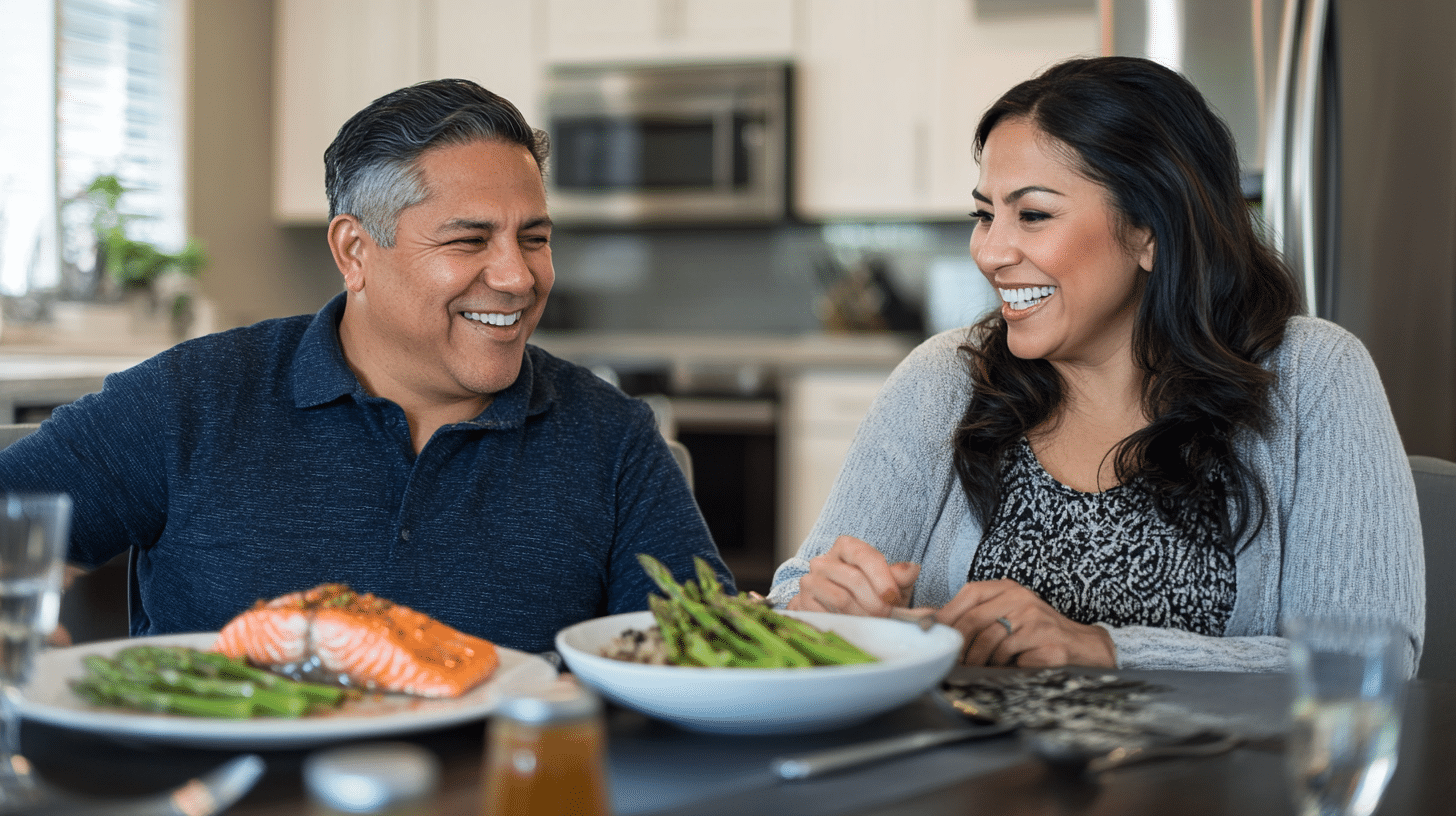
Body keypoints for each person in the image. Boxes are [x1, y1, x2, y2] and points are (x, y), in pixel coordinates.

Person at [0, 79, 731, 654]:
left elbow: (708, 657)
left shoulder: (612, 437)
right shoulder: (191, 398)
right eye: (469, 240)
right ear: (354, 251)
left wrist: (817, 626)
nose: (517, 276)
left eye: (533, 238)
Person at [767, 57, 1424, 675]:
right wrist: (829, 610)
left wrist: (1103, 647)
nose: (991, 251)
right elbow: (791, 599)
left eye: (1032, 214)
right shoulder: (944, 379)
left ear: (1148, 230)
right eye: (984, 214)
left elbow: (1370, 662)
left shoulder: (1316, 374)